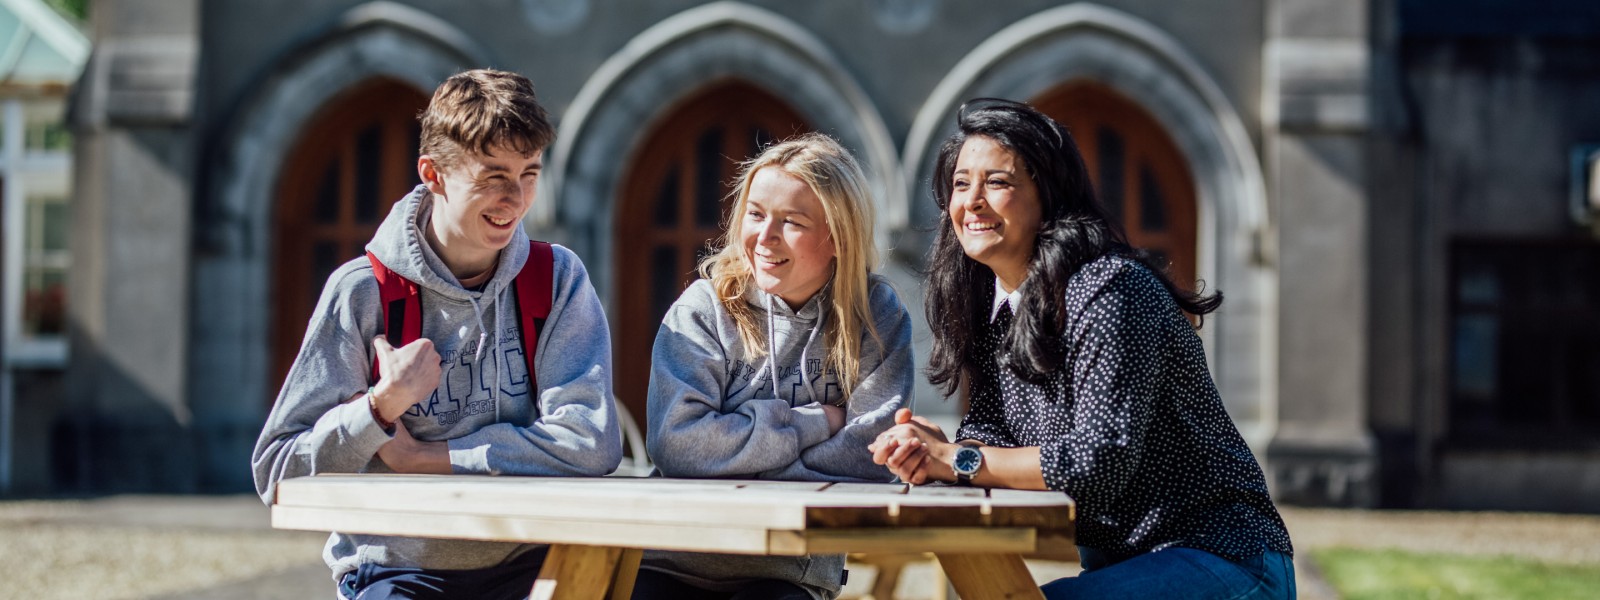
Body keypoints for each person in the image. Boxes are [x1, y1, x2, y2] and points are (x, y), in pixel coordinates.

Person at [869, 99, 1296, 599]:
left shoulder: (1110, 290)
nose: (973, 201)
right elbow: (988, 430)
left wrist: (958, 461)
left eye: (998, 182)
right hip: (1127, 568)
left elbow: (1098, 463)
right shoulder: (1000, 307)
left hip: (1224, 559)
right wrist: (930, 448)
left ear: (1048, 196)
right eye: (962, 184)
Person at [251, 69, 621, 600]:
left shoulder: (557, 280)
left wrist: (428, 457)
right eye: (493, 175)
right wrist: (379, 408)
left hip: (534, 561)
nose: (515, 199)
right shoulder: (361, 292)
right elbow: (277, 472)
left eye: (529, 173)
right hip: (396, 570)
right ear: (433, 173)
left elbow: (592, 442)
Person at [637, 133, 914, 600]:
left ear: (838, 238)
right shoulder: (705, 309)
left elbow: (872, 456)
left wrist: (730, 461)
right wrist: (814, 424)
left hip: (789, 572)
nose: (764, 237)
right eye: (756, 214)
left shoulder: (876, 314)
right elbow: (677, 444)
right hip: (671, 557)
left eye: (791, 221)